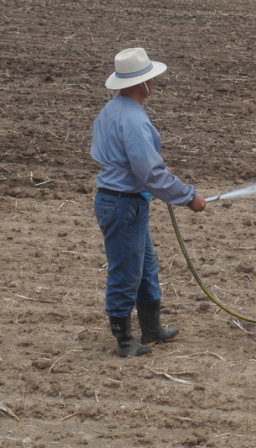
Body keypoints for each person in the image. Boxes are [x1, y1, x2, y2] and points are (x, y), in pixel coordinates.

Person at [91, 48, 207, 357]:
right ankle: (125, 340)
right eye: (150, 78)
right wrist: (188, 196)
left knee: (145, 266)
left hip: (120, 201)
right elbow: (152, 175)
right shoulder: (134, 120)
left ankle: (152, 330)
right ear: (142, 84)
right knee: (126, 272)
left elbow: (132, 163)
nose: (154, 81)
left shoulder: (111, 111)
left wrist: (151, 171)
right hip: (123, 204)